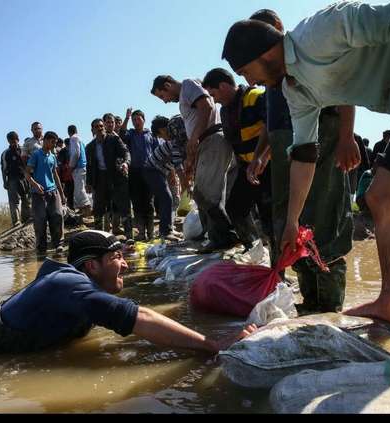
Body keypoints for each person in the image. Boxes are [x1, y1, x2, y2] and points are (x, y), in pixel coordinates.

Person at [222, 1, 390, 357]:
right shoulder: (294, 90)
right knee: (380, 198)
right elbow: (304, 154)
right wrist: (292, 222)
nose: (248, 81)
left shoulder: (321, 31)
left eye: (245, 71)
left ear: (264, 51)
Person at [0, 230, 257, 354]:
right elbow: (139, 316)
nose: (127, 265)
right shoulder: (69, 285)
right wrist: (216, 344)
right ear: (91, 266)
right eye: (117, 258)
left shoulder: (73, 286)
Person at [245, 9, 354, 314]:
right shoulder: (271, 75)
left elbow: (345, 88)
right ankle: (311, 298)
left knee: (323, 217)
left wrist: (347, 137)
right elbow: (271, 124)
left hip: (322, 134)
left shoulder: (306, 54)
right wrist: (260, 156)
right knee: (289, 220)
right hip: (286, 146)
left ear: (279, 29)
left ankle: (329, 305)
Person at [151, 75, 239, 252]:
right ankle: (216, 236)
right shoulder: (186, 94)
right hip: (206, 144)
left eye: (163, 96)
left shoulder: (188, 86)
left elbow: (206, 107)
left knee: (206, 193)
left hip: (212, 139)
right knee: (202, 193)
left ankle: (226, 236)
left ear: (167, 85)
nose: (165, 101)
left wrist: (195, 138)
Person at [202, 67, 274, 251]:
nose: (214, 99)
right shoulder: (225, 111)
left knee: (270, 217)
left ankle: (278, 268)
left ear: (224, 86)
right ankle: (254, 249)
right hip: (248, 168)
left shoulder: (255, 96)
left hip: (269, 165)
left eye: (214, 93)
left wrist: (260, 157)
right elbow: (234, 142)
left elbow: (273, 125)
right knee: (235, 207)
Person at [86, 119, 132, 239]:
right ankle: (100, 239)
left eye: (101, 126)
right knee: (99, 209)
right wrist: (89, 183)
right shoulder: (90, 147)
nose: (100, 128)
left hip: (116, 176)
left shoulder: (114, 139)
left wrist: (126, 163)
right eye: (96, 126)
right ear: (92, 130)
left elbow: (126, 152)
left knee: (124, 207)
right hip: (100, 179)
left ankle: (129, 237)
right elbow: (89, 166)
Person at [120, 110, 162, 241]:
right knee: (137, 203)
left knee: (149, 202)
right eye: (134, 120)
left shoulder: (151, 135)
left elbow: (158, 152)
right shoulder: (130, 134)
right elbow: (121, 134)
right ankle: (141, 232)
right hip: (134, 173)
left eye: (138, 119)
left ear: (144, 119)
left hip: (149, 171)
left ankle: (150, 232)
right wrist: (126, 118)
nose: (136, 122)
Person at [25, 131, 67, 253]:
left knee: (58, 216)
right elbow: (27, 173)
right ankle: (41, 249)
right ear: (46, 141)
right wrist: (35, 185)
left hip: (53, 191)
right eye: (52, 142)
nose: (54, 145)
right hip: (38, 194)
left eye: (55, 142)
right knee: (40, 221)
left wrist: (62, 193)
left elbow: (55, 175)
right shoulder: (36, 155)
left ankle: (58, 244)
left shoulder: (53, 157)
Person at [1, 131, 31, 226]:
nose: (13, 143)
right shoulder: (5, 153)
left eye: (14, 141)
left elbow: (29, 164)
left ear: (18, 140)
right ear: (8, 141)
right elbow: (3, 168)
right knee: (14, 201)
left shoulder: (24, 150)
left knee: (26, 199)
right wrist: (4, 182)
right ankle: (16, 222)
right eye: (10, 141)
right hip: (11, 179)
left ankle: (26, 219)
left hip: (25, 177)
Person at [67, 125, 92, 217]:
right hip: (82, 166)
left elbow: (75, 153)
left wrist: (71, 166)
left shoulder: (73, 138)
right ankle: (83, 210)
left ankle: (87, 210)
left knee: (79, 190)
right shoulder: (80, 139)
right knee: (81, 189)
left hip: (78, 167)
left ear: (69, 132)